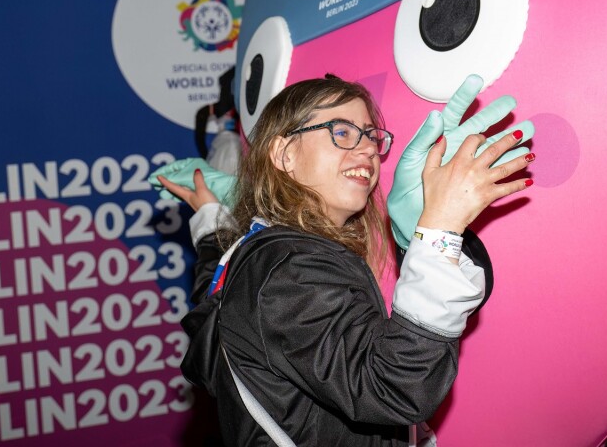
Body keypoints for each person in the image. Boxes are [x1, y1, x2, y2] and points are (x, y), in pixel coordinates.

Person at [156, 75, 533, 446]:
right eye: (342, 131)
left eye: (371, 136)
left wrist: (209, 224)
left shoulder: (264, 258)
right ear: (284, 154)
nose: (369, 149)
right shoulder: (288, 269)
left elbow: (211, 306)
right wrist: (439, 228)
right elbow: (397, 387)